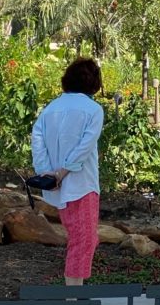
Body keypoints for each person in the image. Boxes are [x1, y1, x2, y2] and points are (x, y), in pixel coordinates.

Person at [31, 58, 105, 285]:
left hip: (57, 185)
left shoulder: (51, 108)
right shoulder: (93, 109)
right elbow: (85, 146)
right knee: (85, 240)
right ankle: (74, 295)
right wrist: (62, 172)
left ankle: (74, 292)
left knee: (79, 237)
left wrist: (47, 173)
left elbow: (37, 139)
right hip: (82, 184)